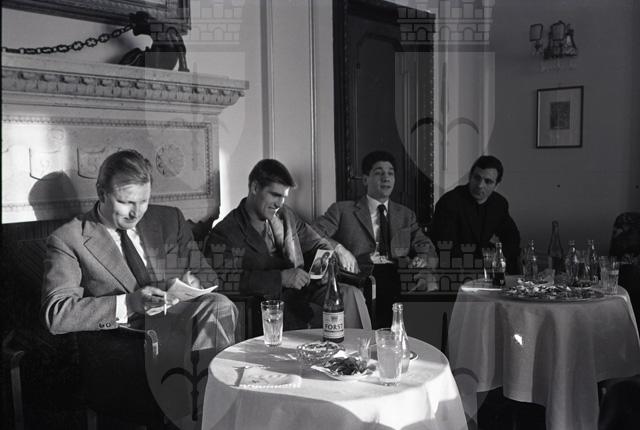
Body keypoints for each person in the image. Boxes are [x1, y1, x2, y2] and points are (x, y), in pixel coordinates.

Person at [42, 149, 237, 426]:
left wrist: (191, 283)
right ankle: (206, 417)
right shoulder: (68, 239)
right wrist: (130, 302)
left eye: (144, 201)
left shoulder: (169, 219)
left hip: (183, 325)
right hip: (129, 343)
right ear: (101, 193)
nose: (136, 212)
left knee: (220, 305)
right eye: (125, 202)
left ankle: (203, 414)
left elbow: (207, 275)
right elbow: (57, 314)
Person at [204, 159, 371, 330]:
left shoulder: (286, 215)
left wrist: (321, 267)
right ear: (255, 188)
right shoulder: (226, 232)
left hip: (306, 292)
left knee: (351, 294)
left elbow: (319, 244)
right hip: (268, 306)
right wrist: (281, 278)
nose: (279, 203)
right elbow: (224, 280)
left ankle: (361, 346)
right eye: (275, 195)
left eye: (283, 197)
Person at [312, 150, 436, 327]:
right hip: (361, 276)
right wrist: (339, 249)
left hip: (398, 275)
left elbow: (425, 245)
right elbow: (313, 233)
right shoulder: (342, 210)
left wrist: (421, 258)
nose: (386, 178)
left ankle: (415, 340)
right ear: (365, 180)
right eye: (379, 173)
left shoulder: (405, 215)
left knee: (428, 283)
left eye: (390, 173)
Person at [431, 155, 521, 274]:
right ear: (470, 177)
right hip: (456, 269)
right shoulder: (449, 202)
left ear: (496, 185)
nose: (480, 185)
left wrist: (500, 257)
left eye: (488, 181)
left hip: (487, 266)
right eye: (476, 178)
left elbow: (512, 237)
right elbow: (447, 247)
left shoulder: (499, 203)